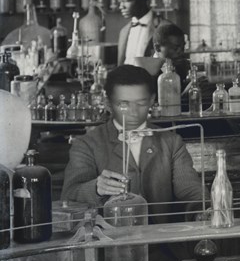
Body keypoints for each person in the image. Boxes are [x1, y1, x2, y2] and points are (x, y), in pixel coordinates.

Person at [62, 64, 204, 223]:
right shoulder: (87, 144)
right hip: (109, 243)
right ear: (108, 103)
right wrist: (96, 188)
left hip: (161, 243)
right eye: (123, 104)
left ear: (152, 100)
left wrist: (202, 211)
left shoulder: (171, 142)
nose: (133, 112)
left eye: (141, 103)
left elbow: (191, 190)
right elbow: (69, 194)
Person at [115, 0, 170, 68]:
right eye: (120, 2)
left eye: (126, 1)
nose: (121, 6)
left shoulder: (165, 27)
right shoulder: (123, 31)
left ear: (142, 0)